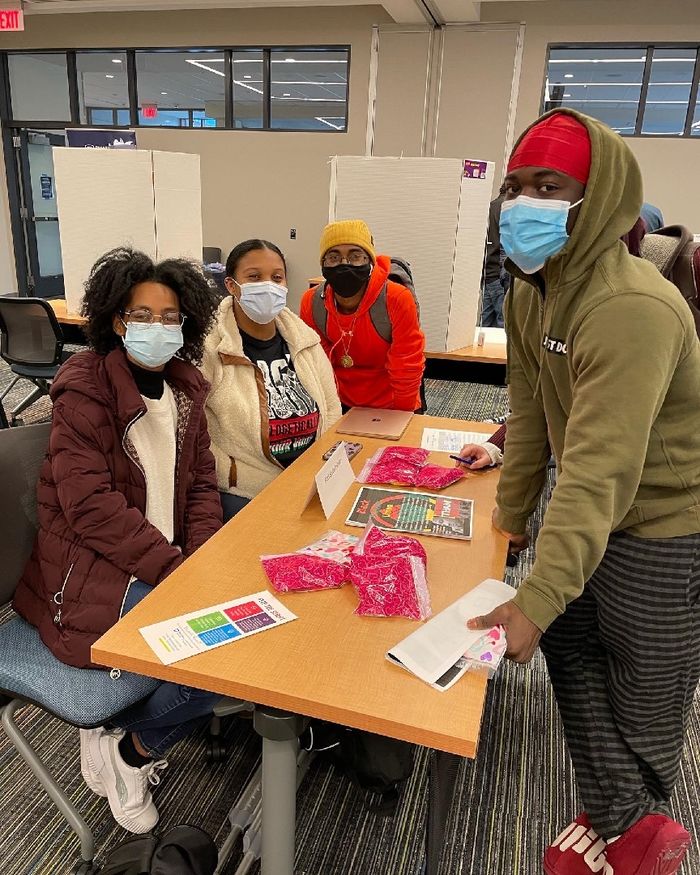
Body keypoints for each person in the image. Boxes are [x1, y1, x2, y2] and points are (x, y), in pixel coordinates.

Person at [465, 110, 700, 875]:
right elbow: (531, 410)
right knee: (567, 641)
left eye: (549, 186)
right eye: (518, 186)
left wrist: (533, 597)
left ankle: (626, 830)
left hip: (669, 519)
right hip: (597, 511)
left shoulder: (632, 307)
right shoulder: (535, 291)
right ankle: (627, 828)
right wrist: (508, 522)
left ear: (595, 199)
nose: (525, 201)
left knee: (646, 684)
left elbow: (601, 470)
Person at [13, 248, 223, 834]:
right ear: (114, 320)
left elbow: (202, 482)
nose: (156, 327)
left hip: (162, 560)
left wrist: (200, 558)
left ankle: (121, 746)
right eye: (141, 314)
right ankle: (132, 750)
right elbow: (90, 509)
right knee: (211, 664)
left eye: (169, 316)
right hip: (92, 572)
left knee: (236, 645)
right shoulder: (84, 391)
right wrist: (172, 569)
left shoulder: (185, 391)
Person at [201, 239, 341, 521]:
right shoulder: (210, 347)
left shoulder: (304, 339)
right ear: (231, 285)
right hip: (244, 490)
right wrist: (227, 472)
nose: (268, 285)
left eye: (277, 278)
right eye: (254, 277)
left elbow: (331, 408)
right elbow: (196, 432)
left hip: (309, 478)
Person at [300, 219, 425, 412]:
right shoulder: (312, 302)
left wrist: (402, 418)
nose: (344, 264)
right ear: (323, 264)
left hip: (394, 402)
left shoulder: (397, 298)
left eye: (355, 256)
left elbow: (406, 366)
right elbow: (320, 366)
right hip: (339, 401)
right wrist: (332, 412)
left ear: (370, 261)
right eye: (333, 257)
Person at [481, 184, 509, 328]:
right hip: (500, 277)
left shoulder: (488, 207)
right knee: (502, 329)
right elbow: (507, 247)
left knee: (482, 328)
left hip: (487, 275)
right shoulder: (508, 209)